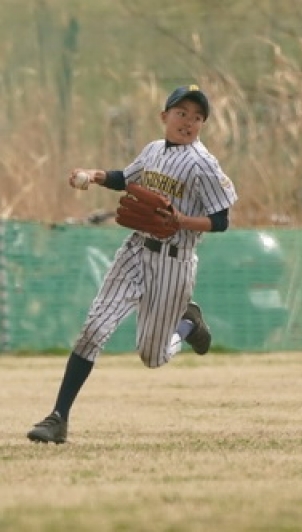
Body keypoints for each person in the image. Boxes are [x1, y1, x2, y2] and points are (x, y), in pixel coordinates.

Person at [27, 85, 238, 444]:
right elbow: (125, 179)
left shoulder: (203, 164)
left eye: (197, 117)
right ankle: (58, 418)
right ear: (164, 116)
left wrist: (181, 221)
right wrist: (95, 175)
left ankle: (187, 324)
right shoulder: (153, 150)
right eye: (182, 113)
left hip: (174, 263)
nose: (188, 121)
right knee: (94, 329)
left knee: (153, 356)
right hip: (136, 251)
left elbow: (221, 220)